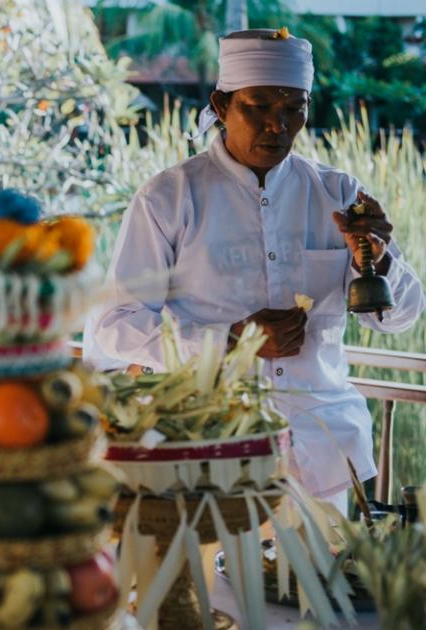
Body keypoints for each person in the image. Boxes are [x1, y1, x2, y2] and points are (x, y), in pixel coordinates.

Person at [84, 28, 425, 512]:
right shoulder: (169, 198)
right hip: (211, 452)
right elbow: (113, 328)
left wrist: (377, 255)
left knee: (328, 587)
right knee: (222, 588)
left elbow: (401, 318)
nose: (276, 125)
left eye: (293, 109)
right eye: (258, 106)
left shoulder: (338, 195)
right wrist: (230, 343)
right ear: (221, 106)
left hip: (330, 455)